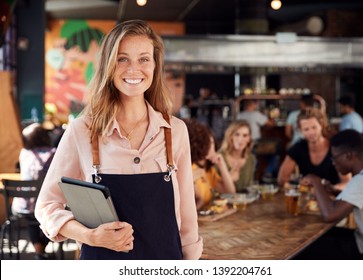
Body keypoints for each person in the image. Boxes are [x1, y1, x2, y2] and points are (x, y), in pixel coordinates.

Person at [35, 20, 202, 260]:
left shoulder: (175, 131)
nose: (134, 69)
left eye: (144, 59)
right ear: (108, 66)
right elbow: (47, 206)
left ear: (155, 65)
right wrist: (89, 236)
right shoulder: (82, 130)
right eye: (122, 59)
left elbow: (187, 215)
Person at [295, 129, 363, 260]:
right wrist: (334, 191)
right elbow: (360, 197)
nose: (333, 162)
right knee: (321, 237)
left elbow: (329, 214)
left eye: (334, 157)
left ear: (348, 155)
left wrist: (315, 181)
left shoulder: (362, 180)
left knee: (303, 250)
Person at [277, 108, 350, 190]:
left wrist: (330, 189)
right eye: (306, 129)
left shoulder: (336, 147)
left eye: (314, 127)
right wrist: (299, 183)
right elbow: (281, 180)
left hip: (333, 197)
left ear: (321, 125)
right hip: (308, 199)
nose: (311, 133)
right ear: (301, 130)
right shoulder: (298, 148)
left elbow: (347, 182)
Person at [12, 123, 55, 260]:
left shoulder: (24, 153)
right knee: (53, 216)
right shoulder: (53, 153)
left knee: (32, 218)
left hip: (23, 205)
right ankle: (41, 251)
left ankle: (39, 252)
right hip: (46, 204)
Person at [184, 119, 235, 210]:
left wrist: (222, 165)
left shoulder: (209, 170)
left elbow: (230, 193)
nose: (208, 147)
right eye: (206, 143)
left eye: (211, 143)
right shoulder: (191, 169)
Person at [218, 120, 256, 192]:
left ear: (249, 139)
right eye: (237, 134)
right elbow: (213, 189)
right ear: (230, 136)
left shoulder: (251, 159)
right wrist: (229, 179)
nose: (240, 140)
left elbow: (249, 188)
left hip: (244, 202)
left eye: (245, 135)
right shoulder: (219, 158)